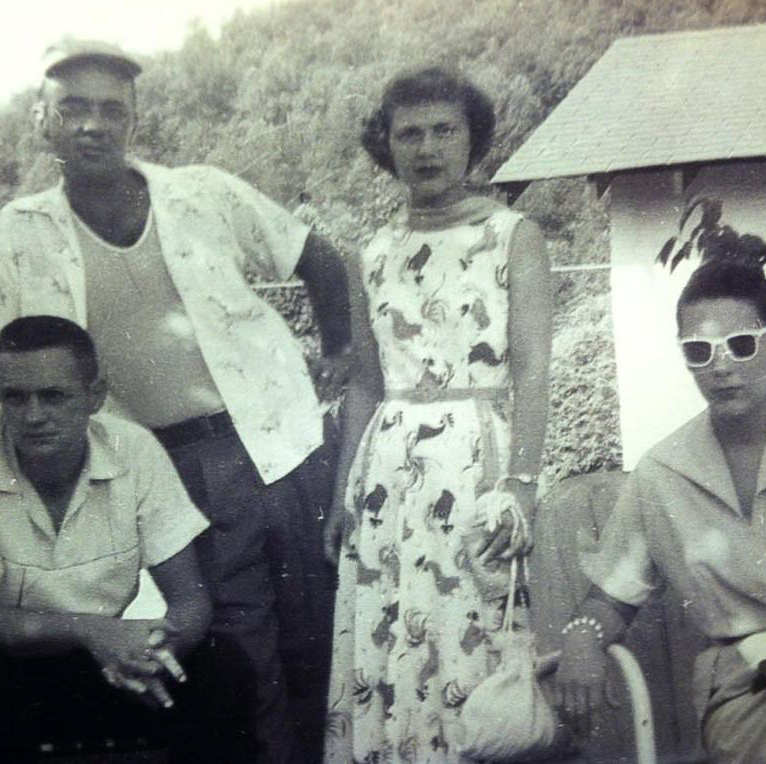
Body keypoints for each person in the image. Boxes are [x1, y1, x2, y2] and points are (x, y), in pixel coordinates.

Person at [0, 39, 351, 764]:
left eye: (111, 110)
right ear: (43, 122)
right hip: (175, 461)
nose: (92, 125)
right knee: (241, 649)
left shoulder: (203, 193)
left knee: (320, 641)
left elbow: (318, 258)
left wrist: (340, 364)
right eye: (73, 109)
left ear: (135, 121)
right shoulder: (22, 231)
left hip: (283, 442)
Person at [322, 66, 552, 761]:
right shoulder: (371, 254)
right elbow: (365, 384)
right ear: (387, 145)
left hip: (477, 467)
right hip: (388, 477)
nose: (427, 148)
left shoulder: (513, 235)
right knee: (389, 644)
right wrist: (342, 496)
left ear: (472, 139)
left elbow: (533, 370)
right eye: (410, 134)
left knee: (472, 640)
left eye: (445, 130)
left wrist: (521, 486)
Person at [555, 260, 766, 763]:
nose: (721, 367)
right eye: (699, 351)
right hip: (748, 690)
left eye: (741, 344)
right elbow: (613, 597)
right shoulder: (664, 471)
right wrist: (582, 639)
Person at [0, 315, 214, 761]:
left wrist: (152, 656)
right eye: (15, 397)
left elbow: (191, 600)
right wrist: (92, 630)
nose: (33, 416)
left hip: (96, 666)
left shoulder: (134, 449)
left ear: (95, 396)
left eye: (53, 396)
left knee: (220, 668)